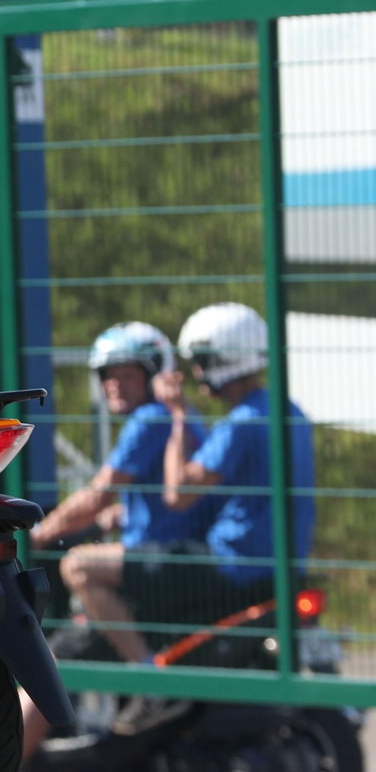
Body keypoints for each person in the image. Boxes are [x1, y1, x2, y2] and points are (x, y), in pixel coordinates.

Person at [114, 300, 316, 733]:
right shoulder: (288, 412)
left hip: (230, 565)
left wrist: (179, 414)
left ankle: (152, 686)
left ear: (225, 360)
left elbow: (177, 494)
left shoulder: (243, 421)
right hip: (275, 565)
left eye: (203, 363)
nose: (198, 374)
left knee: (81, 569)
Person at [18, 321, 212, 761]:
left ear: (153, 374)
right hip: (169, 560)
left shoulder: (150, 420)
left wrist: (44, 530)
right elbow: (144, 498)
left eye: (126, 374)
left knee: (56, 649)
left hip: (159, 570)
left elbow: (98, 491)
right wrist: (116, 515)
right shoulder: (175, 419)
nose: (114, 385)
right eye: (108, 375)